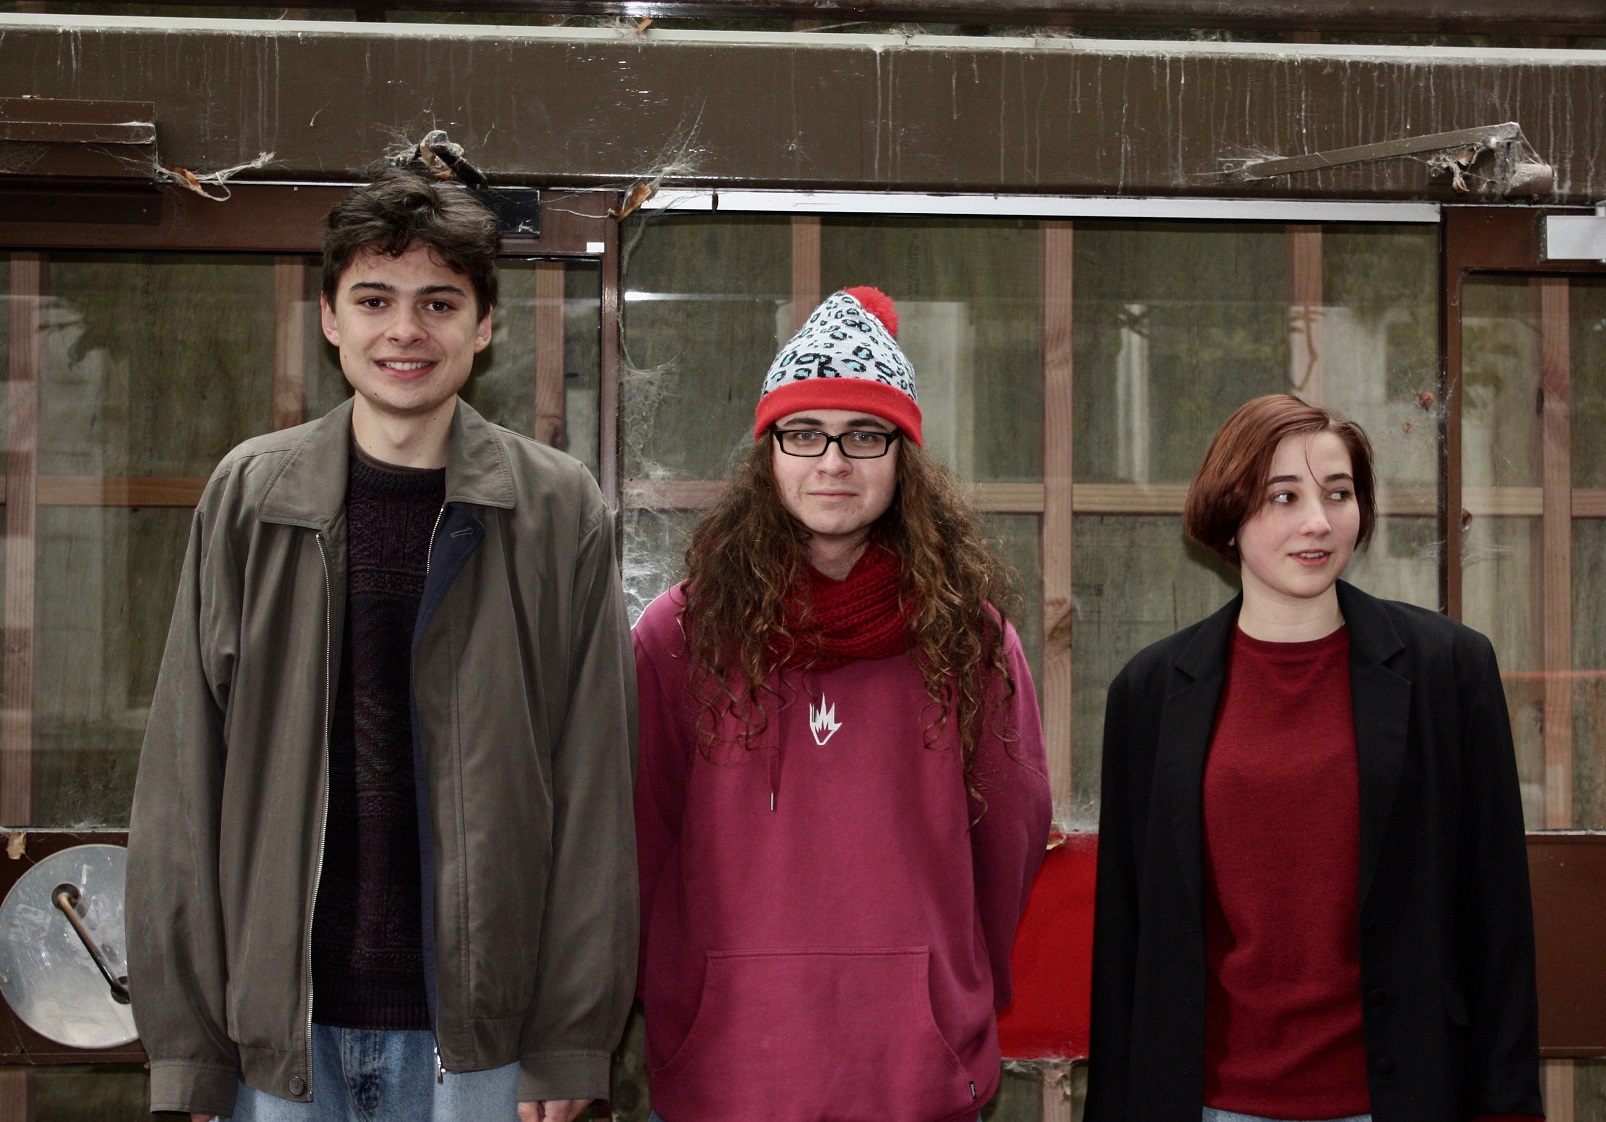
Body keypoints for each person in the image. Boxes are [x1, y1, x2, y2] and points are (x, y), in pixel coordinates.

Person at [126, 169, 638, 1122]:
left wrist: (571, 1040)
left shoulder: (558, 509)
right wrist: (188, 1048)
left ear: (483, 326)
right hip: (278, 1041)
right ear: (330, 318)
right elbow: (182, 784)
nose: (406, 330)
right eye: (375, 299)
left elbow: (596, 789)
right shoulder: (249, 498)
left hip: (484, 1044)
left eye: (439, 302)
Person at [631, 286, 1054, 1122]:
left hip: (914, 1075)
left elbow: (1006, 846)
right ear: (768, 453)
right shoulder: (679, 634)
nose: (833, 462)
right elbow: (640, 846)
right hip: (726, 1073)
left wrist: (946, 994)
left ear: (905, 460)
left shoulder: (969, 640)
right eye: (804, 432)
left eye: (865, 435)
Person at [1085, 394, 1543, 1122]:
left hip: (1402, 1095)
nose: (1318, 523)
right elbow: (1127, 938)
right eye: (1283, 497)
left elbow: (1497, 916)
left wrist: (1508, 1107)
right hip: (1209, 1102)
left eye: (1338, 493)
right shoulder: (1150, 692)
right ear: (1229, 514)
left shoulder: (1448, 671)